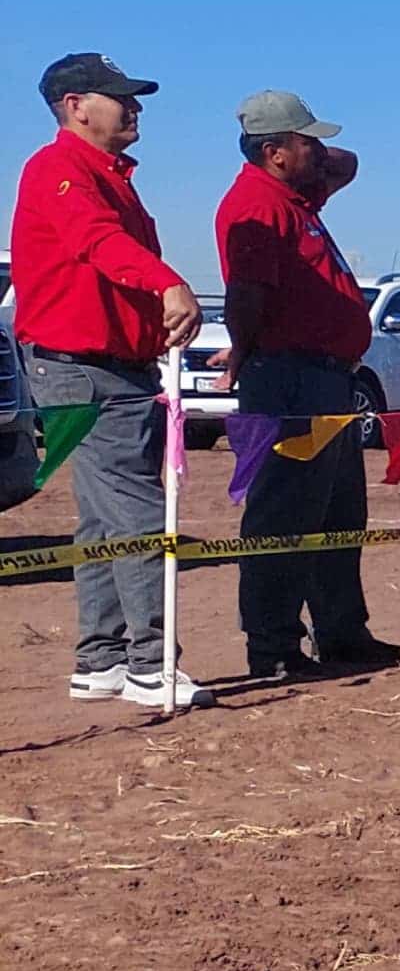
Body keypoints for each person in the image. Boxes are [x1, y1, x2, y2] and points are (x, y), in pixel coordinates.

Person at [13, 53, 204, 707]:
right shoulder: (60, 170)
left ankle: (102, 659)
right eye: (121, 96)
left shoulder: (107, 175)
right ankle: (153, 664)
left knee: (103, 518)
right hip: (83, 369)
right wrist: (168, 283)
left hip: (107, 368)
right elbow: (97, 241)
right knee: (138, 514)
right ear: (75, 105)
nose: (136, 108)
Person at [216, 89, 400, 681]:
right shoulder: (258, 204)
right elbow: (247, 295)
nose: (322, 151)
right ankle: (272, 646)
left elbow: (348, 164)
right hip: (288, 376)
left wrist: (314, 160)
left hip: (327, 378)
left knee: (339, 511)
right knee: (284, 513)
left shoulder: (295, 198)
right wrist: (244, 351)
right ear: (273, 152)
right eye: (307, 141)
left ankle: (342, 633)